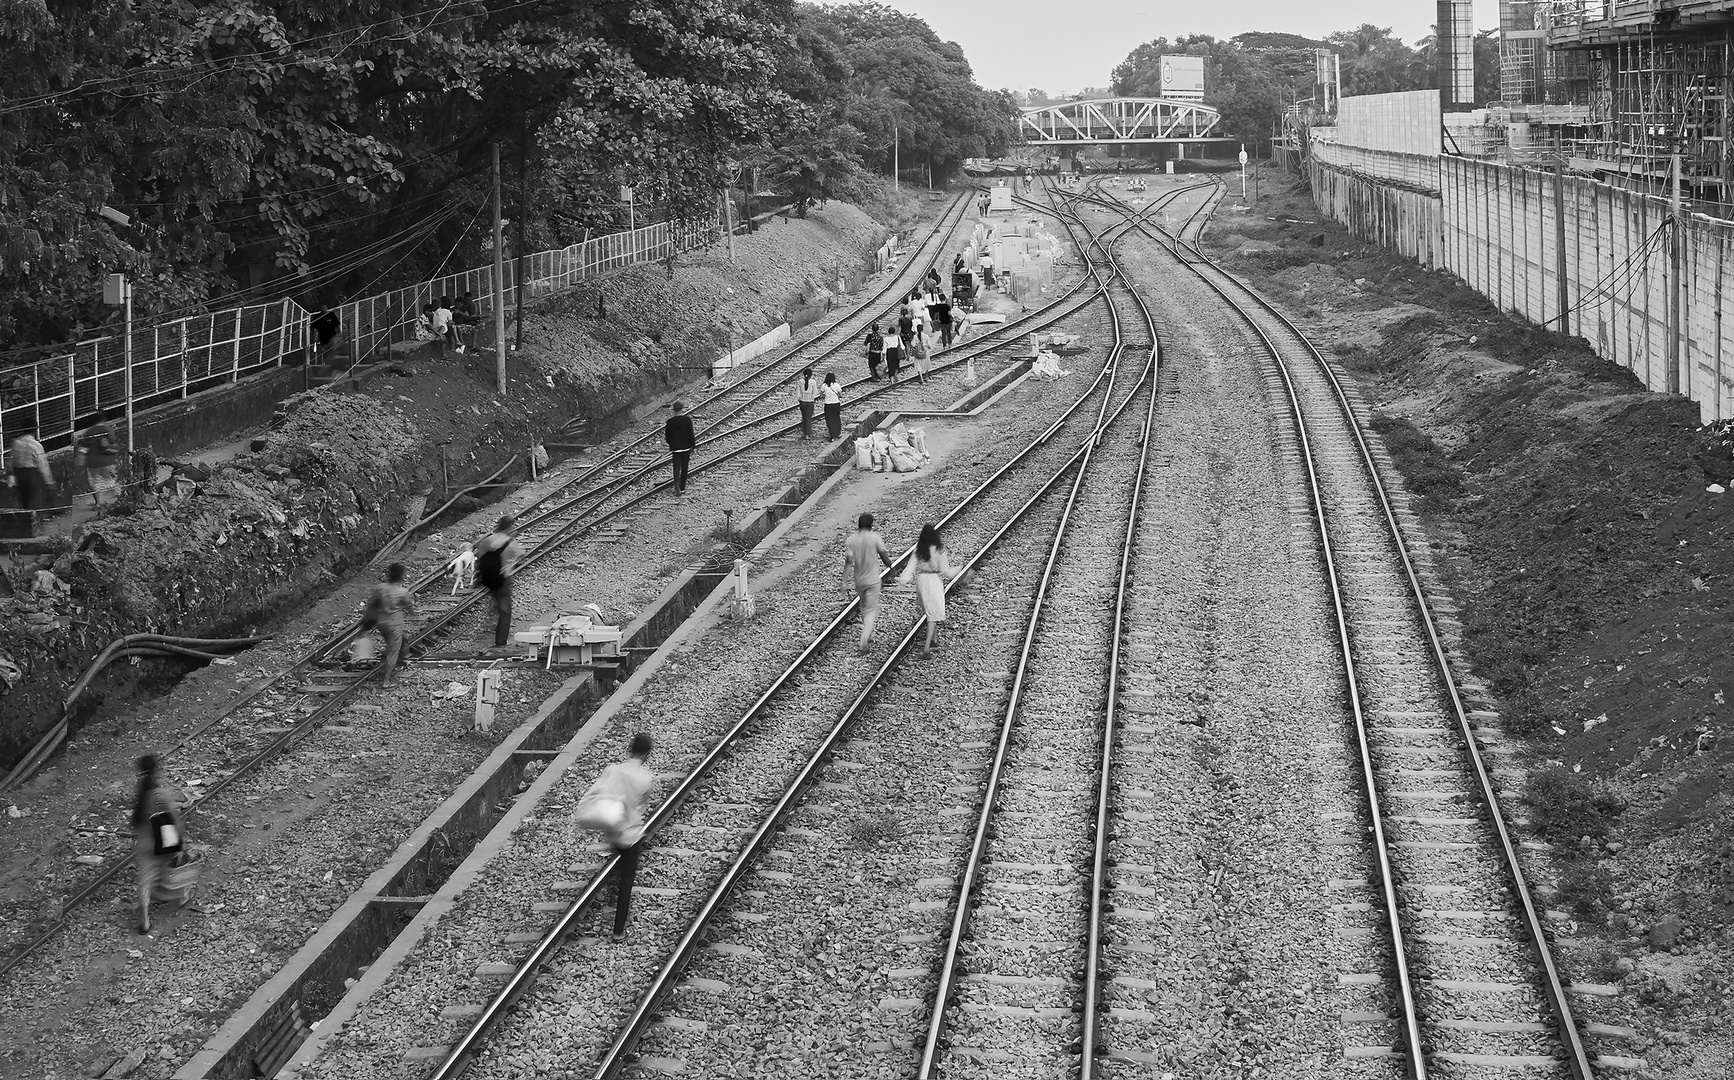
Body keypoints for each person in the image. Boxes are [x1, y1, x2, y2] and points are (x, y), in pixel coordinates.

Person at [582, 733, 655, 942]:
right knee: (626, 882)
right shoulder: (645, 778)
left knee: (617, 868)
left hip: (612, 830)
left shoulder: (614, 770)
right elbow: (641, 805)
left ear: (630, 750)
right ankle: (618, 930)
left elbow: (601, 793)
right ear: (646, 755)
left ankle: (610, 901)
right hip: (631, 836)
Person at [131, 754, 193, 934]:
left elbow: (137, 822)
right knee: (175, 868)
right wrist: (182, 840)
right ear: (157, 771)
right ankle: (182, 897)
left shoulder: (140, 794)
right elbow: (174, 820)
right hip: (165, 843)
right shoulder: (162, 794)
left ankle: (145, 920)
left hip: (145, 844)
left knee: (145, 880)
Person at [901, 523, 962, 659]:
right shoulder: (939, 549)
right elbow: (945, 571)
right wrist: (958, 569)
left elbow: (910, 566)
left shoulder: (919, 548)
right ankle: (926, 648)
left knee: (928, 612)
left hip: (921, 579)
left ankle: (934, 640)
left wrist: (904, 579)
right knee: (933, 615)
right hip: (934, 580)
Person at [844, 513, 894, 653]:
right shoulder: (875, 538)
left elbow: (848, 561)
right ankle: (863, 640)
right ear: (871, 525)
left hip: (859, 580)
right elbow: (884, 556)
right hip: (872, 580)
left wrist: (844, 581)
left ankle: (869, 633)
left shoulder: (851, 540)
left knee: (864, 608)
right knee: (870, 609)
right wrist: (891, 567)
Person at [364, 562, 416, 686]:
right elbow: (410, 607)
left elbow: (371, 602)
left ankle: (398, 662)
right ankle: (386, 681)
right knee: (393, 651)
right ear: (401, 576)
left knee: (402, 640)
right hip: (395, 624)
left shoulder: (380, 588)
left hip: (381, 623)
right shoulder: (402, 591)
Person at [475, 516, 524, 648]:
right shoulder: (510, 543)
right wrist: (510, 565)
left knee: (495, 599)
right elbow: (521, 554)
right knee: (505, 610)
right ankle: (501, 641)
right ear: (509, 527)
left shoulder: (487, 540)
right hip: (502, 578)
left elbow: (479, 556)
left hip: (487, 578)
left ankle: (491, 617)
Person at [77, 410, 120, 508]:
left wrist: (80, 462)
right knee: (113, 480)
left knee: (95, 482)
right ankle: (118, 500)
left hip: (92, 462)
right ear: (104, 419)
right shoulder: (108, 429)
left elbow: (83, 448)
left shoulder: (88, 432)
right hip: (107, 461)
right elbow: (114, 444)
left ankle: (98, 503)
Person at [7, 426, 53, 511]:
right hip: (31, 475)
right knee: (33, 501)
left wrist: (11, 475)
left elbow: (10, 462)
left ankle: (25, 519)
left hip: (19, 475)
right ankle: (31, 520)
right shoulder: (36, 445)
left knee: (24, 499)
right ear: (35, 431)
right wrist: (48, 481)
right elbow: (42, 465)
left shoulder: (16, 443)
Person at [664, 401, 696, 495]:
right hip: (686, 447)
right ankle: (682, 487)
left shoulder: (670, 422)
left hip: (676, 448)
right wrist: (692, 445)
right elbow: (691, 434)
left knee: (676, 468)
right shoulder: (687, 420)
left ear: (674, 410)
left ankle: (676, 485)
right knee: (684, 467)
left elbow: (668, 436)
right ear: (682, 409)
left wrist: (672, 444)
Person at [795, 367, 819, 440]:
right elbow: (815, 392)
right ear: (811, 375)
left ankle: (804, 432)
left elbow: (798, 392)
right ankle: (807, 434)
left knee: (804, 417)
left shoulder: (800, 381)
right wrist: (812, 397)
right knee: (808, 418)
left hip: (802, 402)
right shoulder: (813, 382)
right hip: (810, 402)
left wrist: (800, 398)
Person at [820, 373, 843, 440]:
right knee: (836, 418)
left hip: (828, 405)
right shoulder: (837, 385)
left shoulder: (824, 386)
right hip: (836, 404)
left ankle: (832, 435)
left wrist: (826, 395)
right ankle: (838, 433)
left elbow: (821, 395)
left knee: (829, 420)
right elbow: (840, 395)